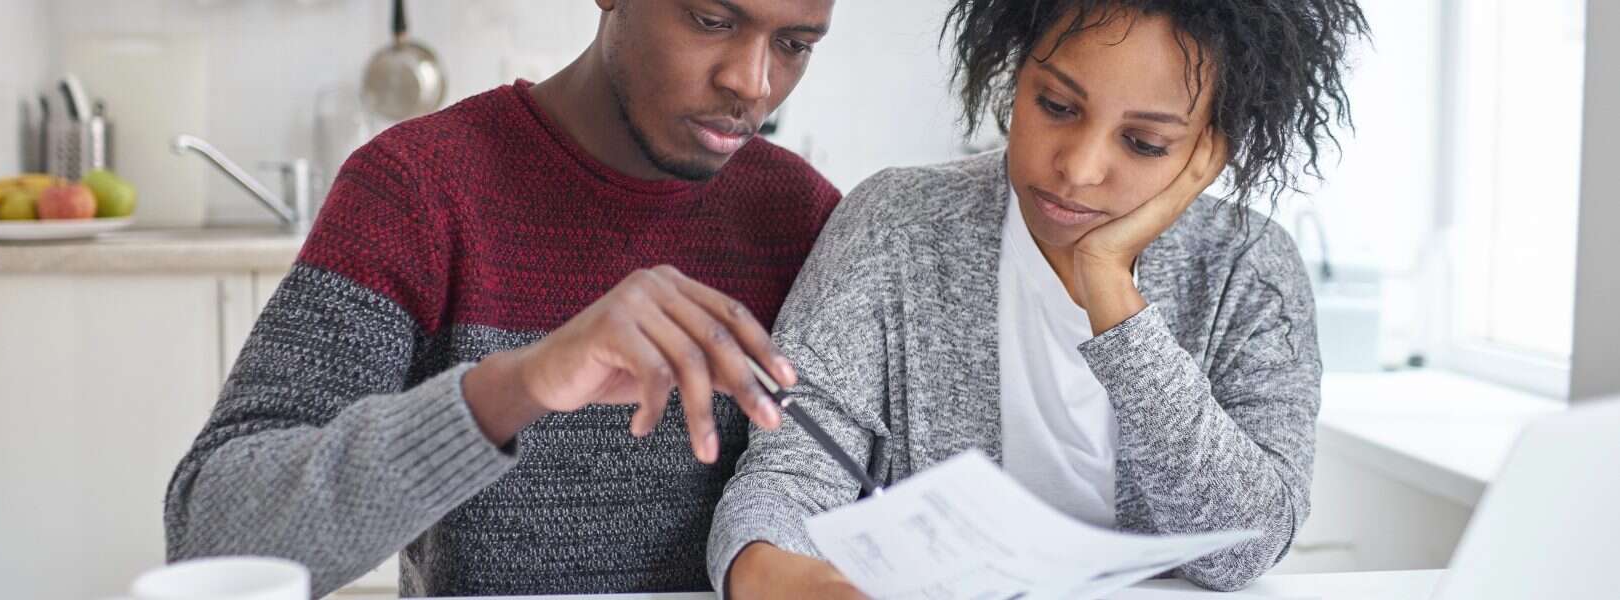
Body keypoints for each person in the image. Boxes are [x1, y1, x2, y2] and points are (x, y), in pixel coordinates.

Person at [163, 0, 839, 596]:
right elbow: (210, 538)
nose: (751, 83)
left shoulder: (803, 217)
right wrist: (518, 385)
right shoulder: (416, 190)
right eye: (711, 20)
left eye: (795, 46)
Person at [710, 1, 1369, 597]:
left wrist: (1111, 287)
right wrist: (776, 572)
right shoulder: (895, 224)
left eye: (1145, 143)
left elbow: (1243, 548)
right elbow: (791, 469)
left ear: (1210, 150)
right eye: (1056, 105)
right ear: (1015, 70)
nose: (1078, 168)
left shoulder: (1248, 269)